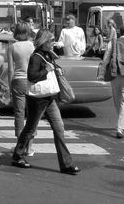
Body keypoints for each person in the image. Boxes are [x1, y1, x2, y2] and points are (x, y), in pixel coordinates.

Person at [12, 29, 80, 175]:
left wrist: (56, 69)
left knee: (59, 128)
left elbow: (52, 67)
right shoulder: (36, 57)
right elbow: (31, 76)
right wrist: (46, 70)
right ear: (43, 41)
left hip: (49, 97)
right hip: (37, 98)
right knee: (30, 128)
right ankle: (18, 156)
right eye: (51, 40)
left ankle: (66, 164)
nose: (53, 42)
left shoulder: (48, 54)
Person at [7, 22, 35, 152]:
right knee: (32, 115)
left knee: (19, 114)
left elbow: (11, 70)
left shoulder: (12, 47)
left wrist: (9, 84)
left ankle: (20, 145)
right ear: (28, 32)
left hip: (18, 80)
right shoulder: (32, 46)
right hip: (31, 81)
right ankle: (29, 147)